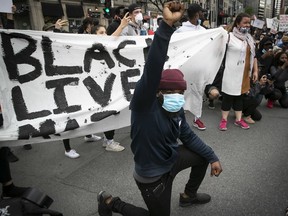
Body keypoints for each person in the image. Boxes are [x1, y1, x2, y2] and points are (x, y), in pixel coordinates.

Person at [97, 2, 222, 216]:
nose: (176, 96)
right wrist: (166, 26)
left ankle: (188, 196)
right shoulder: (144, 103)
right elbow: (153, 67)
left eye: (180, 92)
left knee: (202, 156)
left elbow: (189, 137)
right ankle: (111, 203)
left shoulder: (177, 111)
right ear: (157, 91)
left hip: (171, 160)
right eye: (170, 91)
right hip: (151, 176)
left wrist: (212, 156)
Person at [91, 14, 131, 152]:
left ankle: (107, 139)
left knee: (111, 112)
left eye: (105, 32)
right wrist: (121, 26)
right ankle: (109, 141)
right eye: (101, 33)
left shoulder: (104, 47)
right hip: (102, 87)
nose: (105, 35)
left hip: (108, 84)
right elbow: (108, 41)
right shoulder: (95, 46)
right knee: (110, 111)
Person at [219, 13, 258, 131]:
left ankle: (238, 120)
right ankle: (224, 120)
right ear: (237, 23)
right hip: (230, 73)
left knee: (239, 98)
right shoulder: (228, 37)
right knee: (228, 97)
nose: (247, 25)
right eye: (245, 22)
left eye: (249, 23)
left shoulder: (249, 39)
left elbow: (254, 57)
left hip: (244, 75)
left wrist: (255, 71)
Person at [174, 3, 207, 131]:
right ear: (197, 14)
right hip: (185, 68)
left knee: (199, 92)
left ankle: (197, 118)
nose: (204, 15)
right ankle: (178, 118)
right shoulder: (181, 31)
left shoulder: (203, 31)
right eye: (202, 13)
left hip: (199, 68)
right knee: (181, 92)